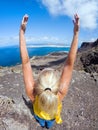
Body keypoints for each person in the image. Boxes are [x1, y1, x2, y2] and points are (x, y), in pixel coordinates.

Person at [19, 14, 79, 129]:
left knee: (40, 121)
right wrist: (76, 34)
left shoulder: (33, 94)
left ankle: (41, 124)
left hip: (38, 114)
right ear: (57, 85)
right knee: (49, 124)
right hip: (52, 117)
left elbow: (25, 62)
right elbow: (69, 64)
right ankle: (48, 126)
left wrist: (22, 32)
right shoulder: (60, 95)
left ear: (37, 84)